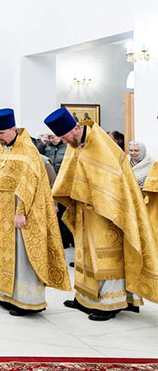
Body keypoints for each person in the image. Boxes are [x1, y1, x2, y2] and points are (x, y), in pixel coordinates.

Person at [45, 107, 158, 321]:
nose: (64, 141)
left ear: (76, 128)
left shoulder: (102, 145)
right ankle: (85, 297)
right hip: (85, 211)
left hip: (107, 213)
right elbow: (69, 176)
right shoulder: (76, 144)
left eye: (65, 136)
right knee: (85, 255)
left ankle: (110, 303)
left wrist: (106, 205)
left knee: (107, 257)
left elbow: (113, 183)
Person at [0, 108, 70, 317]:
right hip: (1, 210)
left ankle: (27, 300)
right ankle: (4, 294)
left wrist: (21, 211)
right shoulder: (0, 149)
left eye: (1, 133)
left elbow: (30, 183)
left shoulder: (28, 150)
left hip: (21, 211)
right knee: (3, 252)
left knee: (22, 254)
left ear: (13, 129)